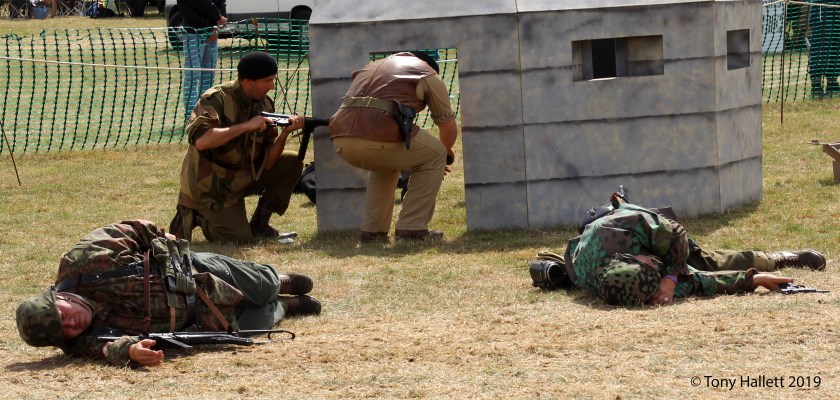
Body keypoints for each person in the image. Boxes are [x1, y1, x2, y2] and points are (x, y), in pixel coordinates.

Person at [15, 219, 321, 367]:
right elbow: (107, 349)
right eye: (65, 331)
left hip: (195, 274)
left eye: (63, 316)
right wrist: (131, 351)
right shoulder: (81, 340)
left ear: (58, 298)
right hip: (196, 320)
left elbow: (131, 230)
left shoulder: (82, 262)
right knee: (260, 320)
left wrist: (164, 239)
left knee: (261, 285)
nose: (72, 324)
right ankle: (288, 307)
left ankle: (280, 283)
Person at [531, 202, 827, 306]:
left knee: (702, 260)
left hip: (624, 220)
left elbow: (676, 234)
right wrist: (753, 281)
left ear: (633, 257)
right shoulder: (599, 281)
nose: (655, 266)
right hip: (589, 248)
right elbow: (696, 282)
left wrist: (671, 275)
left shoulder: (629, 228)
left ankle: (779, 257)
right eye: (654, 269)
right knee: (695, 270)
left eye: (652, 267)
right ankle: (764, 267)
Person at [170, 51, 306, 243]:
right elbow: (202, 141)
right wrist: (246, 126)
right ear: (248, 82)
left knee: (291, 161)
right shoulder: (216, 99)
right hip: (211, 188)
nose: (272, 86)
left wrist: (285, 133)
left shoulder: (264, 104)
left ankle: (260, 224)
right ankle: (196, 214)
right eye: (268, 81)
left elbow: (268, 163)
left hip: (240, 179)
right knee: (240, 240)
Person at [328, 51, 459, 242]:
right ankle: (412, 229)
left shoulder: (371, 67)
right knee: (436, 154)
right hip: (378, 137)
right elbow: (448, 126)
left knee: (386, 164)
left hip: (341, 139)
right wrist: (445, 155)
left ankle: (373, 232)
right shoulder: (428, 73)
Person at [177, 0, 227, 119]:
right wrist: (217, 17)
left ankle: (205, 110)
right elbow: (200, 3)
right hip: (192, 33)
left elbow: (221, 2)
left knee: (209, 74)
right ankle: (191, 114)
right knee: (194, 74)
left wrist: (216, 26)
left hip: (212, 32)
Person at [808, 0, 840, 98]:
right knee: (820, 48)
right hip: (822, 10)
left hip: (836, 10)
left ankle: (832, 82)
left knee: (835, 46)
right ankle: (816, 84)